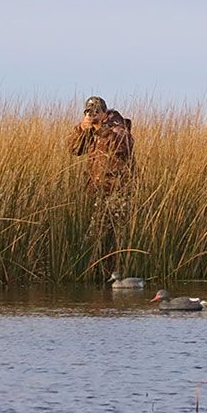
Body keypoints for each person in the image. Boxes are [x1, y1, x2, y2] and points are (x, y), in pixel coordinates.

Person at [68, 96, 136, 277]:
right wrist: (81, 130)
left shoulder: (117, 127)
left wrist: (101, 129)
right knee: (95, 238)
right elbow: (74, 149)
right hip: (96, 193)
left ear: (104, 112)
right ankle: (99, 274)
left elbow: (125, 145)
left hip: (117, 193)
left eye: (95, 111)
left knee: (115, 237)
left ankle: (116, 275)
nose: (92, 115)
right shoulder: (90, 131)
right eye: (88, 112)